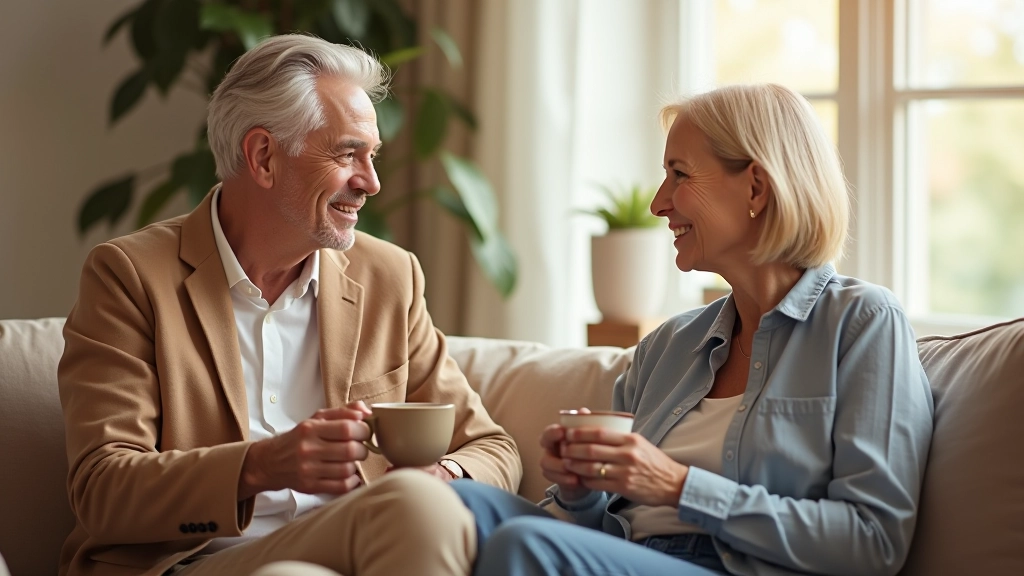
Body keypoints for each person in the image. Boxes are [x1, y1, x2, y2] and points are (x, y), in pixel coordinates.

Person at [57, 34, 520, 576]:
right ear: (263, 157)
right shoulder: (131, 277)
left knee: (414, 508)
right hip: (194, 563)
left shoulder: (390, 277)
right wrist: (260, 466)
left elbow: (491, 447)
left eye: (372, 157)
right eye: (348, 154)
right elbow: (102, 490)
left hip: (358, 552)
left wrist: (441, 476)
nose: (370, 182)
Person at [450, 83, 934, 576]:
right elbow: (602, 528)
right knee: (452, 503)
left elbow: (874, 542)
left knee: (528, 545)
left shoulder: (862, 323)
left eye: (678, 175)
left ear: (756, 188)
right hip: (633, 556)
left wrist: (679, 487)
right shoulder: (667, 346)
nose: (659, 204)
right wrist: (581, 495)